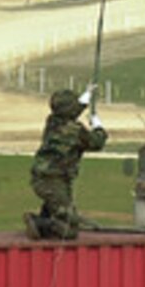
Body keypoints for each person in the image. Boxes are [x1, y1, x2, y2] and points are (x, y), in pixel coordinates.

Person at [24, 87, 107, 240]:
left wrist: (86, 96)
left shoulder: (52, 121)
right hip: (54, 181)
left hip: (43, 178)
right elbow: (97, 142)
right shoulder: (75, 131)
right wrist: (98, 125)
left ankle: (45, 217)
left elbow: (70, 112)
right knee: (69, 228)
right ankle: (39, 223)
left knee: (59, 206)